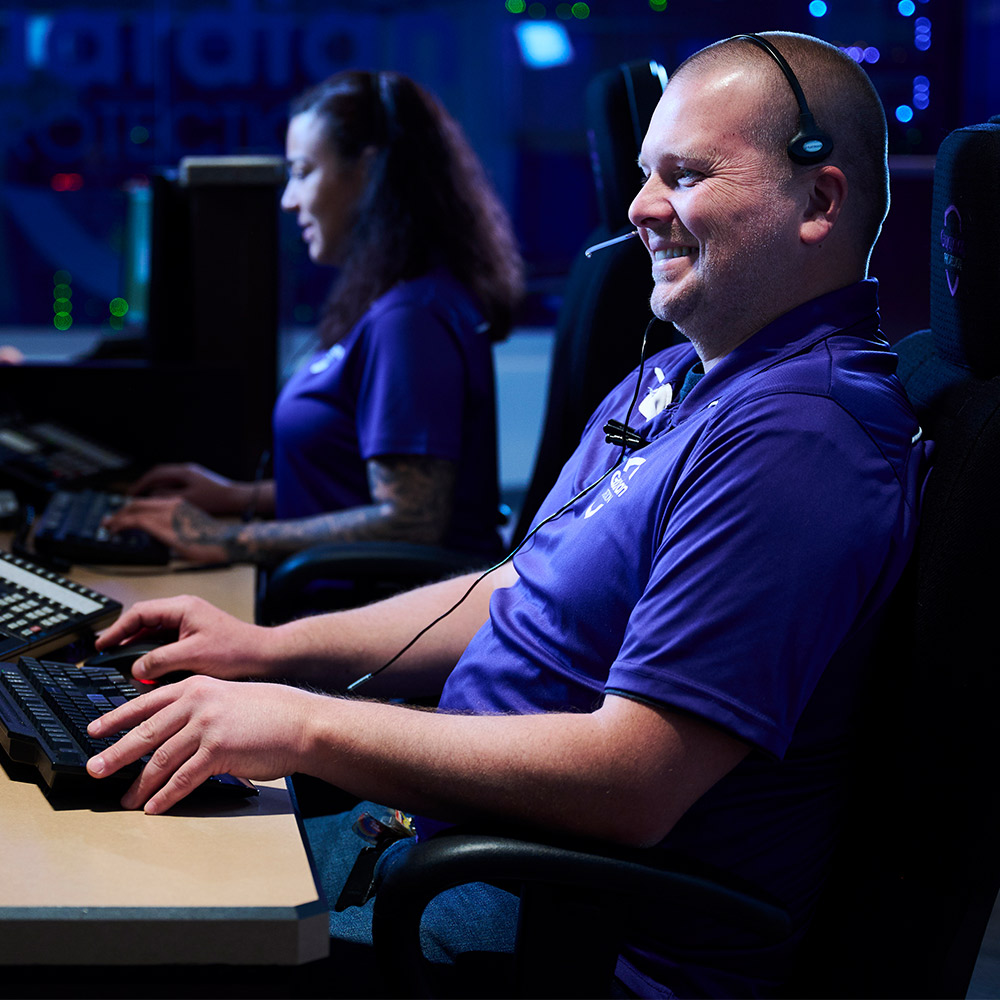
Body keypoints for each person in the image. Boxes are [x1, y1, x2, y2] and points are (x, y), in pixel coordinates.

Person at [85, 32, 931, 997]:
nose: (641, 208)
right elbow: (518, 587)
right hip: (457, 857)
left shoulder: (800, 441)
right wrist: (261, 653)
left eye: (687, 176)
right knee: (120, 842)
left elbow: (635, 780)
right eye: (647, 174)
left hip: (560, 935)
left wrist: (304, 727)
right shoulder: (683, 376)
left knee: (131, 934)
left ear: (818, 202)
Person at [106, 70, 523, 565]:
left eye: (303, 172)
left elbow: (410, 519)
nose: (288, 200)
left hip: (380, 619)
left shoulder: (412, 320)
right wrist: (236, 498)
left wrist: (223, 540)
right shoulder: (393, 302)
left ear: (369, 173)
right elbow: (347, 487)